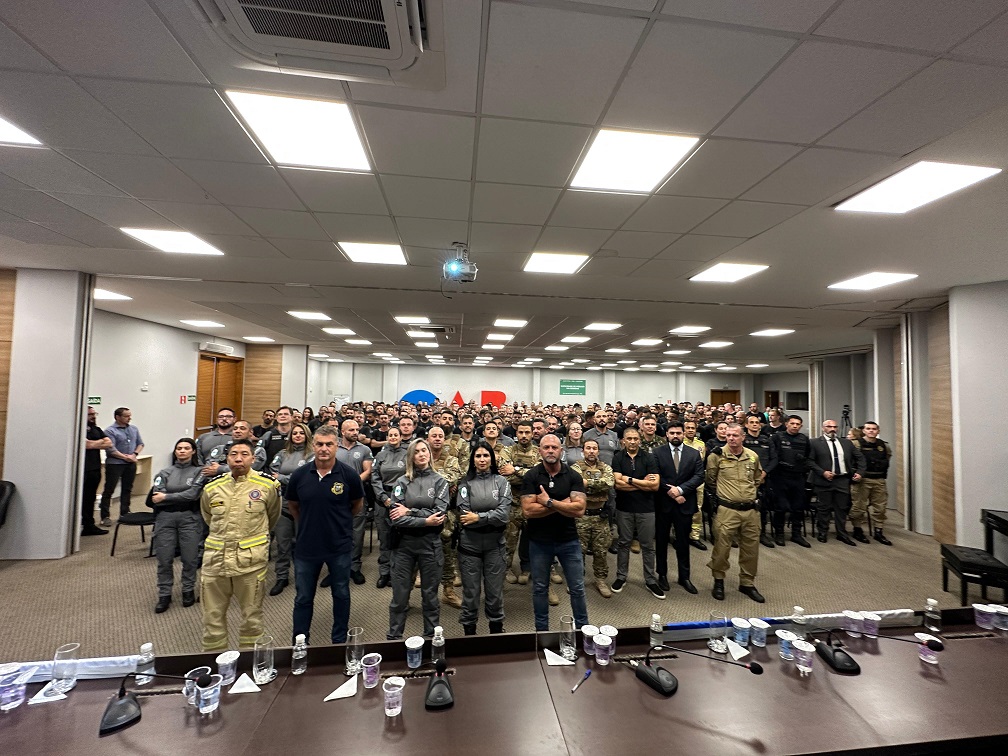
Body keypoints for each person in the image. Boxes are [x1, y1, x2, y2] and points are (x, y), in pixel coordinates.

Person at [199, 439, 281, 651]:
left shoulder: (267, 486)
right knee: (211, 619)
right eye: (233, 454)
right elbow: (208, 517)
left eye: (244, 454)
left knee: (251, 618)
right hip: (215, 562)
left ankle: (249, 662)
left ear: (253, 458)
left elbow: (272, 516)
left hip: (249, 563)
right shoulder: (212, 487)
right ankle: (215, 661)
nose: (238, 459)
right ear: (226, 459)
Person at [286, 425, 364, 645]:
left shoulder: (349, 475)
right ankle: (300, 641)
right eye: (319, 444)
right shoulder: (300, 475)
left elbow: (356, 505)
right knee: (303, 597)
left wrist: (337, 522)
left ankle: (338, 639)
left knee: (341, 594)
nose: (324, 449)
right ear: (313, 445)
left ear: (336, 446)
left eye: (329, 444)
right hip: (307, 546)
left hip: (338, 545)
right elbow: (293, 506)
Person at [520, 434, 589, 631]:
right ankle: (542, 631)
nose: (550, 451)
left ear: (561, 451)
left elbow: (579, 510)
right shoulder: (531, 476)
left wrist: (548, 502)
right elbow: (528, 511)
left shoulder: (573, 476)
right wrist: (564, 504)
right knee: (540, 588)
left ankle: (583, 630)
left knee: (577, 588)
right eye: (546, 447)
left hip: (569, 540)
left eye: (554, 447)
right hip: (539, 541)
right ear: (539, 451)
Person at [387, 439, 450, 640]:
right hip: (403, 546)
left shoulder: (440, 482)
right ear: (411, 457)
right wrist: (425, 520)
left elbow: (439, 515)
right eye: (417, 451)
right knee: (399, 597)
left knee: (430, 597)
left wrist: (410, 512)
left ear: (430, 454)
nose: (422, 454)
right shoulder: (401, 482)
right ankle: (394, 638)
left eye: (425, 450)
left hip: (430, 545)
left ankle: (431, 639)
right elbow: (397, 518)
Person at [706, 423, 766, 603]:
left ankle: (747, 582)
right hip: (727, 510)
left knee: (751, 549)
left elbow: (757, 478)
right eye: (728, 435)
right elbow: (710, 480)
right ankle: (718, 580)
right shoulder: (716, 456)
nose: (731, 438)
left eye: (735, 435)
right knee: (722, 548)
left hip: (750, 510)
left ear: (743, 437)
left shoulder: (752, 456)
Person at [457, 442, 511, 635]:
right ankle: (469, 633)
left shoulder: (502, 482)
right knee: (470, 594)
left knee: (495, 594)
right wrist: (490, 517)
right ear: (473, 460)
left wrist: (479, 517)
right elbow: (465, 517)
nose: (482, 459)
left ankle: (496, 631)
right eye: (478, 456)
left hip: (495, 545)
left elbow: (504, 515)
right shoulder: (465, 484)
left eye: (486, 456)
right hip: (469, 546)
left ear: (492, 459)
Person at [150, 438, 205, 613]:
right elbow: (156, 497)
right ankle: (164, 594)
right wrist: (174, 497)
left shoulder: (200, 472)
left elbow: (193, 495)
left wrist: (167, 497)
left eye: (186, 448)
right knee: (164, 559)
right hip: (165, 519)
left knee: (190, 558)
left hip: (190, 518)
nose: (182, 451)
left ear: (193, 451)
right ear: (175, 452)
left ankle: (188, 589)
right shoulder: (164, 472)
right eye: (179, 448)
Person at [652, 422, 705, 595]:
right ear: (667, 434)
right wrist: (673, 493)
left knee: (683, 542)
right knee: (661, 542)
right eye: (672, 433)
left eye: (679, 433)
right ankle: (662, 575)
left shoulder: (694, 453)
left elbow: (699, 476)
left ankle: (684, 577)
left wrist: (681, 490)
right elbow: (655, 476)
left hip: (685, 503)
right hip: (664, 503)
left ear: (683, 434)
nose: (675, 435)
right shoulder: (658, 452)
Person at [610, 428, 662, 599]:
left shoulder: (649, 457)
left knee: (647, 546)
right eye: (629, 439)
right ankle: (621, 577)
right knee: (624, 543)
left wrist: (630, 480)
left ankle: (650, 580)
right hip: (624, 508)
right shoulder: (618, 457)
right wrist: (642, 484)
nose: (632, 442)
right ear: (623, 440)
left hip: (646, 508)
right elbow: (617, 484)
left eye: (635, 438)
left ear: (639, 440)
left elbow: (654, 486)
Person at [267, 422, 314, 596]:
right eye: (295, 433)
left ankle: (304, 575)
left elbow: (305, 476)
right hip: (283, 502)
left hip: (303, 504)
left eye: (301, 433)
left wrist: (282, 477)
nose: (298, 436)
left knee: (303, 543)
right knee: (282, 543)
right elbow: (272, 474)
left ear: (307, 435)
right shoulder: (282, 454)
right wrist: (287, 478)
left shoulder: (312, 454)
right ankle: (282, 576)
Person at [807, 419, 865, 545]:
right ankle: (822, 531)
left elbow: (860, 458)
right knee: (824, 508)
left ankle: (842, 533)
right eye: (829, 426)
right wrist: (822, 472)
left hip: (842, 479)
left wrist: (860, 472)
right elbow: (809, 461)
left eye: (835, 427)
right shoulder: (814, 443)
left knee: (842, 508)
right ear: (823, 428)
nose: (832, 429)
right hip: (824, 480)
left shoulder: (846, 443)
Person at [570, 440, 614, 598]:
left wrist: (587, 483)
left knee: (601, 551)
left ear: (598, 451)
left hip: (600, 517)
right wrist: (596, 484)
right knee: (577, 551)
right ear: (583, 451)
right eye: (588, 448)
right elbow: (576, 484)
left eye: (594, 448)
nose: (591, 451)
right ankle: (577, 580)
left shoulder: (605, 467)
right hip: (581, 516)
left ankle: (600, 580)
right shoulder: (575, 467)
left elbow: (608, 483)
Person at [499, 420, 541, 584]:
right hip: (512, 504)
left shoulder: (539, 452)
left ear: (532, 434)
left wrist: (516, 470)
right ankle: (506, 569)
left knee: (531, 540)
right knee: (509, 540)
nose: (524, 435)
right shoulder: (507, 451)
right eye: (521, 432)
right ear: (516, 433)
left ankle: (527, 568)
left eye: (527, 432)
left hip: (532, 504)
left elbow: (539, 477)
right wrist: (528, 475)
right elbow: (504, 476)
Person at [334, 419, 373, 586]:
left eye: (357, 429)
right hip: (335, 496)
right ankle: (336, 568)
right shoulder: (334, 448)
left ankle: (354, 567)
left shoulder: (364, 449)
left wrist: (352, 483)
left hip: (357, 496)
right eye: (351, 430)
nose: (355, 432)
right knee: (336, 532)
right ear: (343, 432)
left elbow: (368, 471)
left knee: (357, 533)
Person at [428, 426, 463, 609]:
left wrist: (426, 478)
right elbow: (411, 478)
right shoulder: (420, 457)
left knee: (447, 555)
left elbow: (451, 478)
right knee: (415, 554)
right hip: (420, 513)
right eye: (434, 436)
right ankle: (405, 595)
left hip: (445, 515)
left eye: (440, 436)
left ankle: (448, 591)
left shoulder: (452, 460)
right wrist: (443, 483)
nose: (437, 438)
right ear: (428, 439)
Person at [371, 427, 407, 588]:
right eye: (390, 435)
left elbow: (410, 476)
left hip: (401, 501)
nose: (393, 437)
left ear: (400, 437)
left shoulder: (407, 454)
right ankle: (384, 572)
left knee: (400, 538)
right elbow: (375, 477)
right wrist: (383, 497)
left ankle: (395, 572)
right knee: (384, 537)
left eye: (395, 435)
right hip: (382, 499)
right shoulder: (380, 455)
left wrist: (398, 499)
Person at [849, 421, 893, 545]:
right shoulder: (855, 444)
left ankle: (878, 531)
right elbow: (849, 461)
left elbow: (887, 458)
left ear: (878, 431)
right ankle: (857, 529)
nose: (871, 431)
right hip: (862, 480)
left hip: (879, 480)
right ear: (864, 431)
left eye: (874, 429)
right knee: (858, 507)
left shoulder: (884, 445)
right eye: (868, 428)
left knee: (880, 508)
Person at [771, 415, 812, 548]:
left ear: (801, 426)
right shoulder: (777, 437)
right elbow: (773, 456)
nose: (795, 426)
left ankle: (796, 534)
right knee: (781, 507)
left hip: (798, 476)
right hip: (781, 476)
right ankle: (779, 533)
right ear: (786, 424)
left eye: (798, 424)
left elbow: (808, 456)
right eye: (792, 423)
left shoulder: (804, 439)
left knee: (798, 507)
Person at [99, 407, 144, 525]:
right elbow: (111, 449)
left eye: (130, 416)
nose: (129, 418)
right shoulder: (110, 431)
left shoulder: (133, 429)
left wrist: (134, 455)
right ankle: (105, 516)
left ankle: (125, 513)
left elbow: (140, 444)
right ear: (117, 417)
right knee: (109, 489)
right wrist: (125, 457)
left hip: (130, 463)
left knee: (127, 489)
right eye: (126, 416)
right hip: (115, 464)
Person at [742, 415, 779, 548]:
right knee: (745, 507)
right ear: (746, 425)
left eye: (757, 422)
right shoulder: (743, 440)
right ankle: (744, 534)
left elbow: (774, 459)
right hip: (745, 479)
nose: (754, 424)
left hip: (763, 479)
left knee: (762, 508)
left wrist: (764, 473)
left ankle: (762, 533)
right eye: (751, 422)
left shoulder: (767, 440)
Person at [82, 406, 112, 536]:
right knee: (81, 498)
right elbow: (86, 445)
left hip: (95, 468)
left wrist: (93, 443)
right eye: (90, 414)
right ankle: (80, 523)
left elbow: (109, 443)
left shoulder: (96, 429)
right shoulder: (79, 429)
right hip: (83, 470)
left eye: (94, 414)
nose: (93, 416)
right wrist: (98, 443)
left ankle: (89, 525)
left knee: (90, 498)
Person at [682, 420, 708, 550]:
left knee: (697, 509)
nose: (691, 430)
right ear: (684, 430)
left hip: (697, 481)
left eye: (693, 428)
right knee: (681, 509)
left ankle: (695, 536)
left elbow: (702, 463)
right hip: (683, 480)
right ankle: (680, 535)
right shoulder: (679, 443)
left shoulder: (701, 444)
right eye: (688, 428)